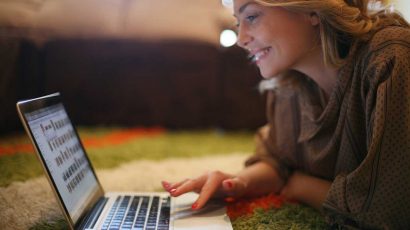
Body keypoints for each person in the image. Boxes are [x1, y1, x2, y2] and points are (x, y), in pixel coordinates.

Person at [162, 0, 410, 228]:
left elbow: (386, 213)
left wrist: (300, 186)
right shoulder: (288, 83)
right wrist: (238, 183)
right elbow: (278, 162)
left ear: (312, 9)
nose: (240, 39)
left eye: (252, 16)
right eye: (238, 22)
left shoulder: (391, 58)